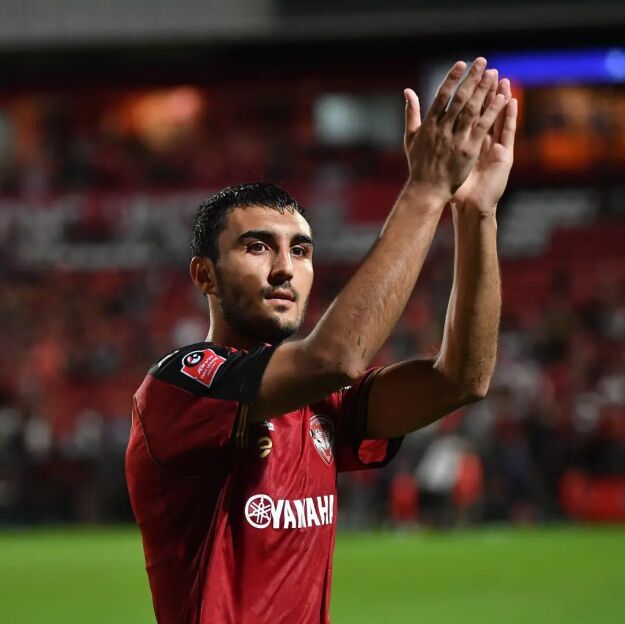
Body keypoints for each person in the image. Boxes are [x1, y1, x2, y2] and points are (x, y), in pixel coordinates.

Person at [126, 57, 518, 623]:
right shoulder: (181, 386)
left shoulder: (322, 403)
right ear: (204, 275)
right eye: (257, 247)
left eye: (301, 250)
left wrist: (477, 214)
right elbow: (336, 357)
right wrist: (426, 190)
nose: (285, 268)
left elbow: (460, 380)